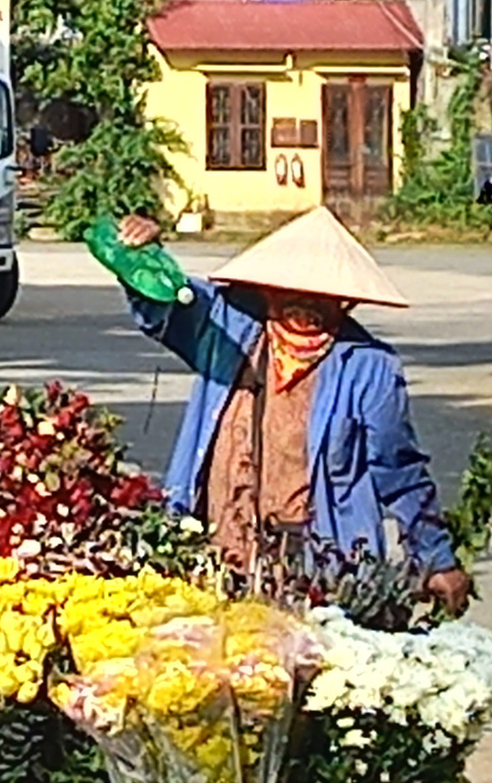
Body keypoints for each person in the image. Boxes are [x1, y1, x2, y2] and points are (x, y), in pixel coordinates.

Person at [113, 206, 472, 615]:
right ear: (268, 291)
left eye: (322, 297)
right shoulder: (228, 329)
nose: (306, 307)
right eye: (293, 293)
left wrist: (436, 558)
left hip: (319, 566)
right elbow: (165, 300)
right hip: (215, 551)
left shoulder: (368, 367)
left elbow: (399, 470)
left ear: (346, 302)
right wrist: (143, 255)